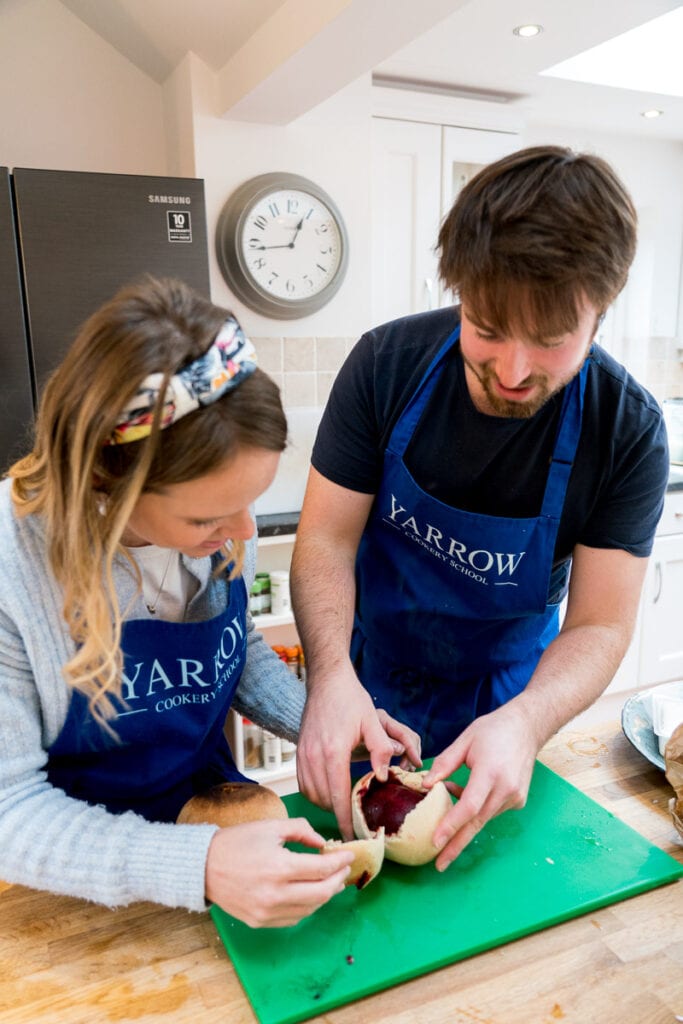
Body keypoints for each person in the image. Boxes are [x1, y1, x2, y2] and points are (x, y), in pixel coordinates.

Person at [290, 145, 669, 871]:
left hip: (508, 704)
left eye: (551, 342)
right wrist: (331, 677)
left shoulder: (626, 431)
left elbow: (600, 622)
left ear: (601, 311)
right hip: (367, 688)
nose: (512, 371)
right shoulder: (384, 365)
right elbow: (325, 544)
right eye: (487, 327)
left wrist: (526, 724)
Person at [0, 276, 360, 929]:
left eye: (251, 500)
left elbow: (234, 649)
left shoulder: (223, 529)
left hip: (210, 822)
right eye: (210, 519)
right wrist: (196, 866)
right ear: (106, 484)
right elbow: (9, 811)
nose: (246, 532)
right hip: (72, 880)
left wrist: (321, 724)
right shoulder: (11, 568)